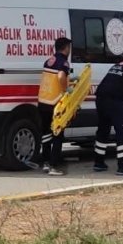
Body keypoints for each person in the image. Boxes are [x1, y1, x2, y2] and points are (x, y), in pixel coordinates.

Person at [29, 36, 72, 176]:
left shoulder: (49, 61)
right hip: (56, 103)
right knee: (58, 134)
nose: (69, 50)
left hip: (43, 101)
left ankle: (46, 162)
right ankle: (54, 165)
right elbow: (60, 76)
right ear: (66, 48)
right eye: (69, 47)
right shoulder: (63, 62)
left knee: (46, 134)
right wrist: (66, 90)